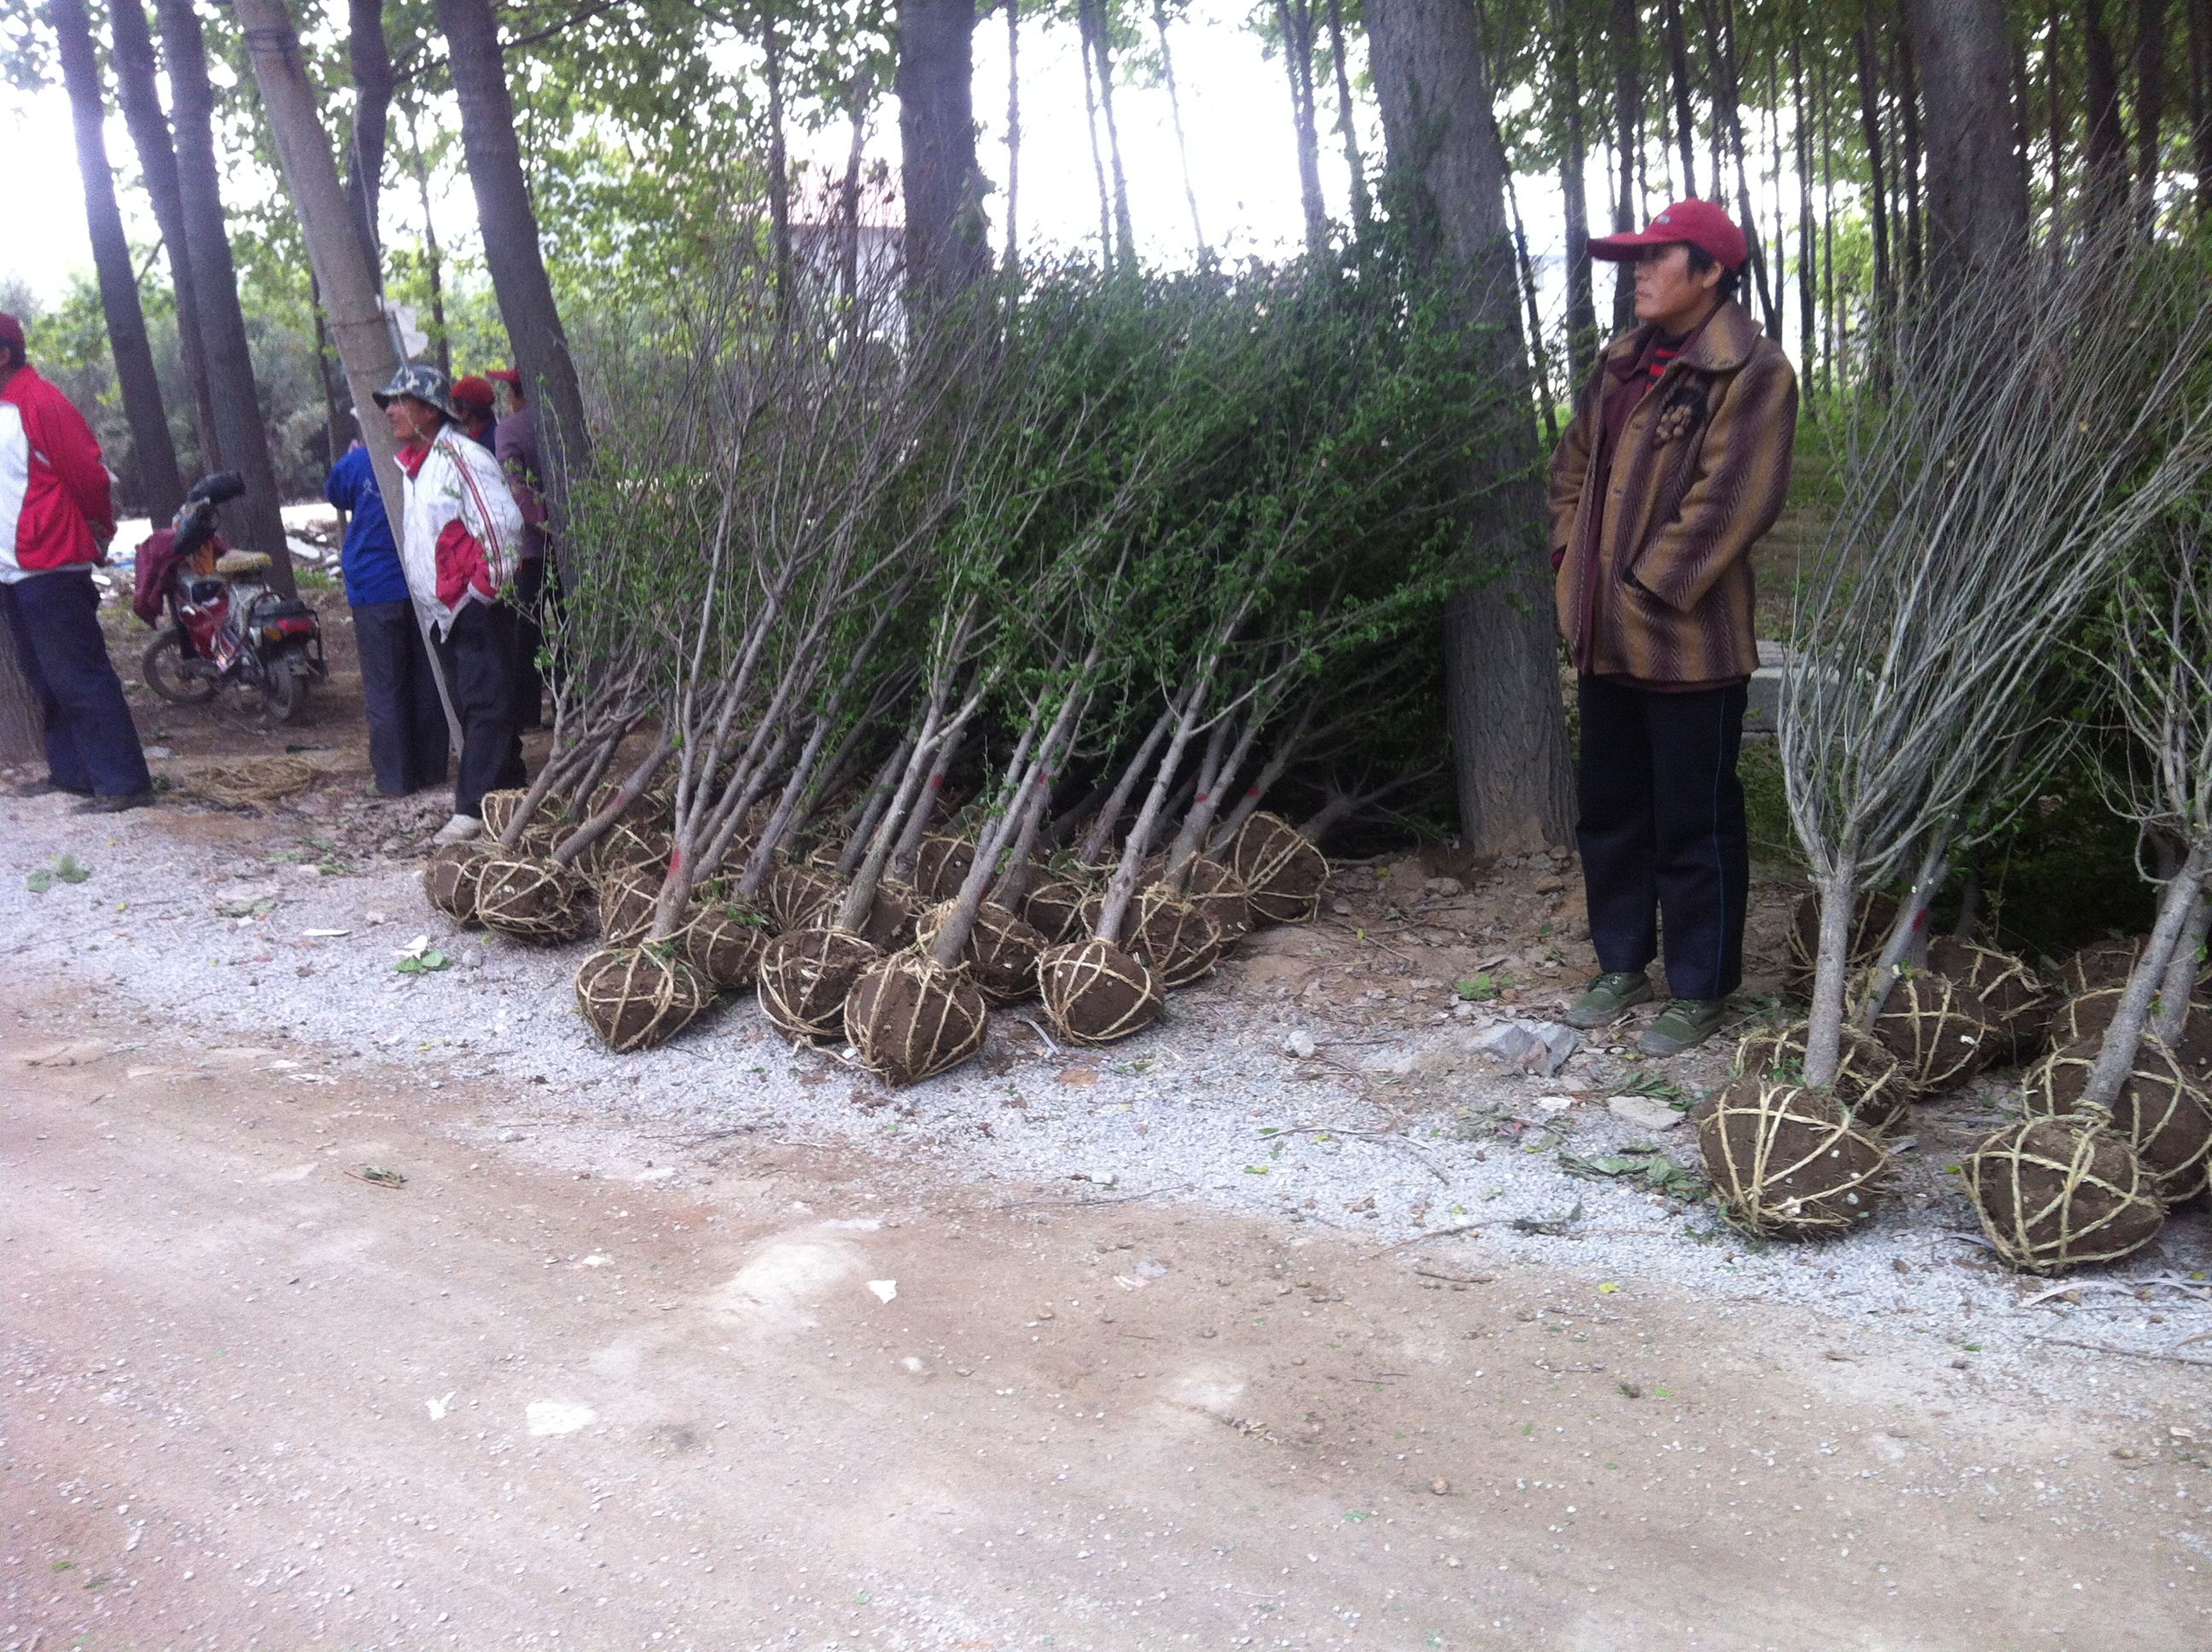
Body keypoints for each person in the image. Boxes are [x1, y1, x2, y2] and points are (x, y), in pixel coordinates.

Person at [1545, 201, 1799, 1055]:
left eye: (1659, 257)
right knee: (1610, 811)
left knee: (1696, 820)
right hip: (1603, 641)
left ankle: (1702, 987)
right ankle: (1622, 964)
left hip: (1689, 645)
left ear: (1711, 271)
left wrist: (1644, 589)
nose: (1639, 272)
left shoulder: (1752, 370)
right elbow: (1572, 464)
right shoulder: (1620, 361)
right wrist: (1568, 561)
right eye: (1635, 258)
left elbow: (1734, 500)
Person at [0, 310, 155, 813]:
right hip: (13, 569)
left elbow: (88, 475)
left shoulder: (40, 401)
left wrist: (100, 527)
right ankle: (73, 774)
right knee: (43, 675)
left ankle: (123, 780)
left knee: (79, 674)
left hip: (51, 561)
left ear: (3, 355)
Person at [375, 364, 526, 845]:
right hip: (447, 611)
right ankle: (512, 795)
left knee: (487, 705)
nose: (391, 411)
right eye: (390, 402)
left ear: (429, 410)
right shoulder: (415, 465)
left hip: (476, 606)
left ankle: (472, 808)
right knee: (477, 704)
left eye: (401, 401)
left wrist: (481, 592)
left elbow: (502, 528)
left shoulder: (462, 457)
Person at [326, 428, 449, 797]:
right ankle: (431, 768)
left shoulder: (359, 461)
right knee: (427, 679)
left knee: (385, 685)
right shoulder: (432, 458)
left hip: (375, 587)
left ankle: (395, 779)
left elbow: (336, 494)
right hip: (422, 584)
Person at [487, 366, 550, 730]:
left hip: (531, 547)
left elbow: (516, 486)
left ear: (514, 393)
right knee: (568, 622)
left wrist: (543, 525)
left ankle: (527, 711)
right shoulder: (557, 421)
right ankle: (571, 703)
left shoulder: (510, 429)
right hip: (567, 544)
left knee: (526, 630)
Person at [450, 375, 498, 452]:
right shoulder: (471, 437)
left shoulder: (494, 442)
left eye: (456, 403)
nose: (453, 408)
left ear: (467, 409)